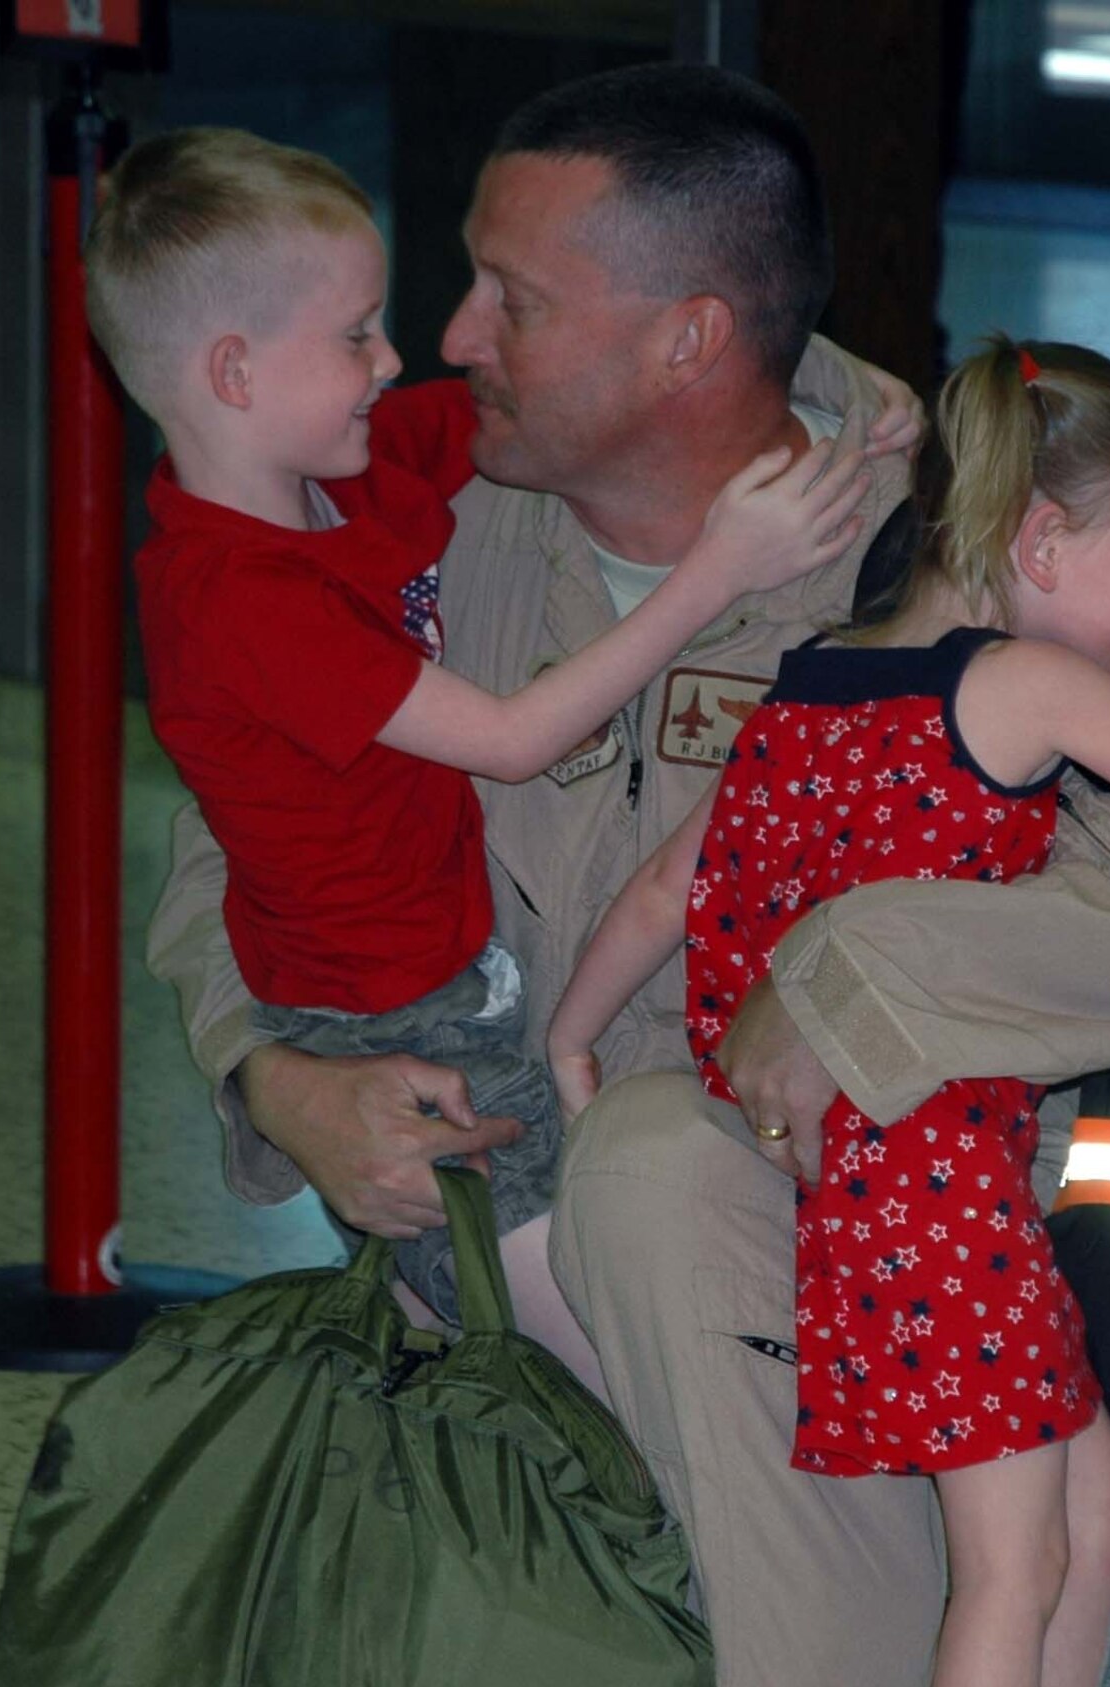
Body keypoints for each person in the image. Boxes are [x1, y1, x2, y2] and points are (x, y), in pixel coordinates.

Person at [147, 64, 1110, 1687]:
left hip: (878, 1228)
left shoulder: (968, 537)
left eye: (512, 299)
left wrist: (845, 988)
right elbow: (236, 819)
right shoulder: (404, 507)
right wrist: (277, 1075)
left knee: (658, 1159)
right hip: (516, 1220)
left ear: (689, 338)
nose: (452, 340)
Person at [547, 337, 1110, 1687]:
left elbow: (667, 885)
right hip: (940, 1190)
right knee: (1009, 1573)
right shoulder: (1022, 686)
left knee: (1106, 1516)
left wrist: (573, 1037)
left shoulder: (810, 684)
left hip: (884, 1191)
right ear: (1041, 542)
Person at [86, 126, 871, 1367]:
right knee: (573, 1346)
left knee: (496, 1295)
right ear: (232, 372)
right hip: (398, 1018)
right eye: (354, 335)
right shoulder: (236, 597)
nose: (400, 358)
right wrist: (724, 567)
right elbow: (509, 740)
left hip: (457, 977)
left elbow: (579, 404)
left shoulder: (335, 474)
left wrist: (853, 422)